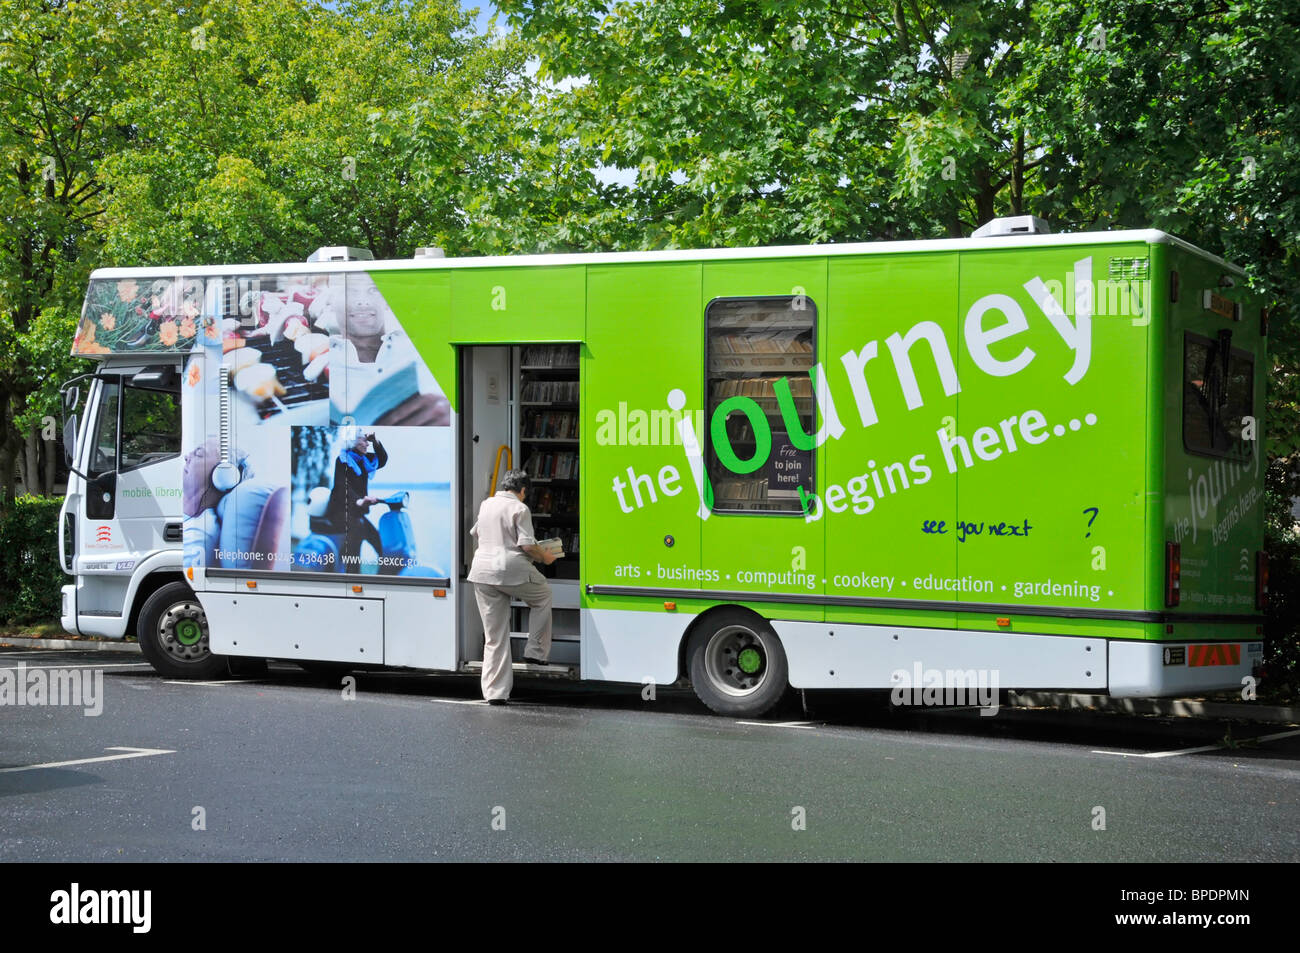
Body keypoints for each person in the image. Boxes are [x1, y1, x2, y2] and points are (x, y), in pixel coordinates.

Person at [468, 469, 558, 705]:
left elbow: (475, 532)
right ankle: (535, 651)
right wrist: (545, 557)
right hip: (511, 570)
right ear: (523, 490)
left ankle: (495, 693)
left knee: (494, 636)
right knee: (543, 596)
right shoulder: (520, 508)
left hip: (482, 572)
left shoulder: (486, 504)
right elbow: (527, 545)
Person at [324, 427, 388, 567]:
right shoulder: (343, 460)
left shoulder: (364, 460)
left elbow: (382, 460)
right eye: (364, 440)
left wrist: (375, 441)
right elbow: (342, 486)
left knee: (378, 541)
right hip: (341, 511)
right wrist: (358, 501)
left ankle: (388, 572)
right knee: (355, 545)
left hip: (356, 512)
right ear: (353, 442)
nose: (367, 444)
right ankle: (353, 574)